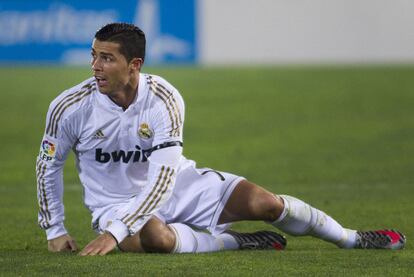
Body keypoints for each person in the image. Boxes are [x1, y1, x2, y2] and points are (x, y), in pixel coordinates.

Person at [36, 22, 406, 256]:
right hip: (113, 204)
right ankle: (236, 241)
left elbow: (164, 178)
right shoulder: (70, 106)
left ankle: (352, 238)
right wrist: (56, 229)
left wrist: (115, 236)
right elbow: (47, 166)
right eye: (93, 56)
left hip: (177, 184)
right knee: (157, 238)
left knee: (266, 204)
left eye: (106, 59)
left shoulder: (164, 98)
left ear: (135, 65)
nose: (95, 67)